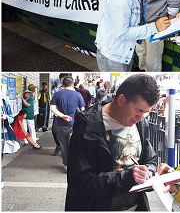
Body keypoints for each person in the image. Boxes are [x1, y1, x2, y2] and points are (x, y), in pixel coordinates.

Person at [65, 74, 160, 211]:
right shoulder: (87, 124)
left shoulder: (140, 124)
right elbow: (80, 180)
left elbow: (150, 160)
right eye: (139, 111)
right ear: (121, 100)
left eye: (147, 112)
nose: (141, 117)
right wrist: (127, 176)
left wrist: (148, 172)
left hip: (134, 206)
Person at [95, 0, 177, 72]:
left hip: (123, 52)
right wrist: (155, 27)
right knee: (118, 86)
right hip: (113, 56)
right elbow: (121, 33)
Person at [50, 76, 85, 171]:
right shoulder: (78, 95)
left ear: (62, 84)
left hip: (60, 124)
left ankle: (66, 164)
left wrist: (62, 116)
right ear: (72, 84)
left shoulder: (57, 94)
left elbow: (52, 109)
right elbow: (83, 110)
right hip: (74, 124)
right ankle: (74, 164)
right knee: (74, 144)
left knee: (64, 145)